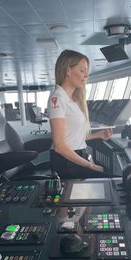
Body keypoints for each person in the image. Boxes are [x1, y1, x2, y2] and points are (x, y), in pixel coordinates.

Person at [47, 49, 113, 179]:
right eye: (82, 71)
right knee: (111, 180)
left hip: (76, 157)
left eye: (86, 72)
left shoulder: (73, 99)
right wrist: (90, 166)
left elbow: (73, 136)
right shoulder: (58, 98)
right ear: (68, 71)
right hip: (66, 161)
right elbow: (60, 146)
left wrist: (98, 135)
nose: (86, 76)